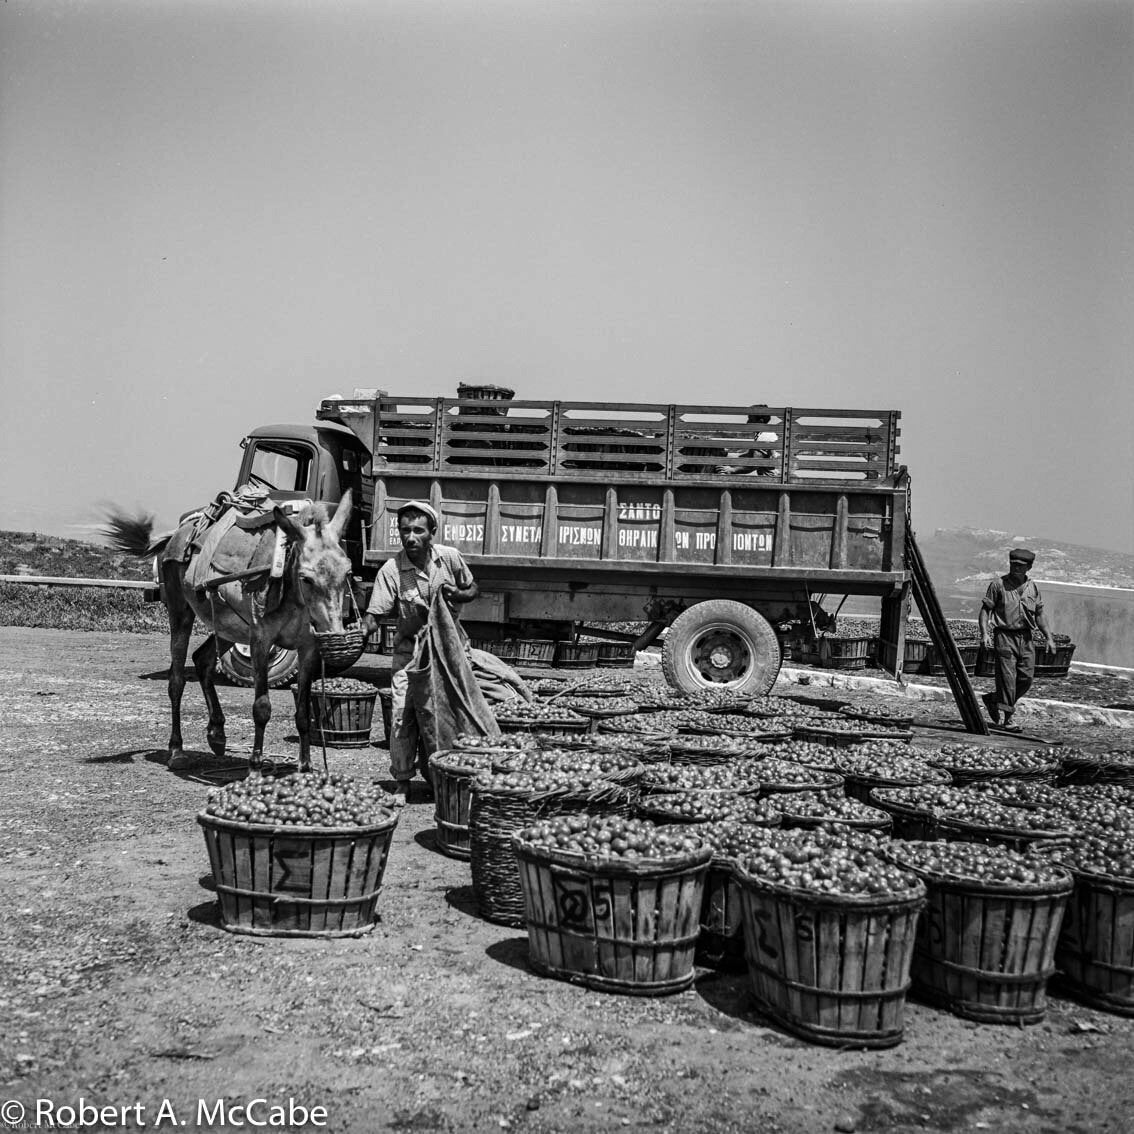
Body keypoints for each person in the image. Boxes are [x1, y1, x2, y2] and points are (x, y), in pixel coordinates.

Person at [362, 500, 478, 799]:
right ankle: (401, 782)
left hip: (449, 654)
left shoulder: (450, 559)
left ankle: (449, 775)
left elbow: (472, 589)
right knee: (403, 717)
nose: (410, 537)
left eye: (418, 531)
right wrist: (365, 626)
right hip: (410, 657)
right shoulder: (392, 570)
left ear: (432, 532)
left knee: (451, 716)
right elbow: (376, 612)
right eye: (404, 531)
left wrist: (458, 593)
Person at [977, 548, 1056, 733]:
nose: (1016, 568)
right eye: (1013, 565)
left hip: (1026, 637)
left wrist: (1049, 638)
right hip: (1004, 636)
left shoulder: (1032, 587)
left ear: (1029, 567)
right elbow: (985, 610)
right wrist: (985, 633)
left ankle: (994, 699)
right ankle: (1008, 719)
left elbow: (1040, 614)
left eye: (1021, 566)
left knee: (1026, 678)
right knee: (1007, 678)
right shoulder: (998, 585)